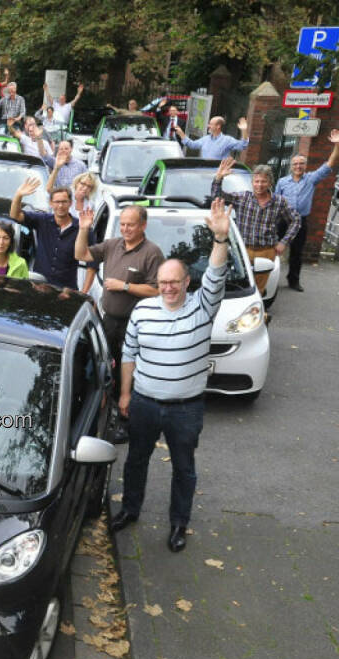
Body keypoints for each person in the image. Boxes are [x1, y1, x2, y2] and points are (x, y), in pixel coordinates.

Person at [110, 197, 233, 553]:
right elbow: (129, 353)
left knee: (184, 468)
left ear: (186, 281)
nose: (168, 288)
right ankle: (130, 510)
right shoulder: (143, 309)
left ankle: (179, 523)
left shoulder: (202, 306)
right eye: (163, 282)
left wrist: (220, 240)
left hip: (186, 408)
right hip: (145, 402)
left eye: (174, 282)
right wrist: (125, 394)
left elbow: (216, 274)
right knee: (135, 461)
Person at [74, 203, 164, 410]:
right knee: (105, 366)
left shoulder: (152, 253)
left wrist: (124, 286)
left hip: (134, 324)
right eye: (122, 224)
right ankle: (107, 408)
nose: (125, 229)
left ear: (143, 225)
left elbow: (156, 290)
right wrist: (83, 229)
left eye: (130, 225)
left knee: (128, 369)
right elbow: (81, 255)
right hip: (109, 321)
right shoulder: (113, 245)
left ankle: (126, 413)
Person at [211, 157, 299, 294]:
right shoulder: (243, 197)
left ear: (270, 182)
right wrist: (219, 178)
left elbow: (296, 220)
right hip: (242, 250)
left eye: (263, 181)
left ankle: (257, 312)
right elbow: (217, 197)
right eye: (256, 181)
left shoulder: (280, 202)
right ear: (252, 183)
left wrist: (284, 242)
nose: (259, 185)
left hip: (266, 251)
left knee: (259, 288)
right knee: (239, 285)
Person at [274, 129, 339, 292]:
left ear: (305, 166)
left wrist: (338, 145)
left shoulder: (311, 179)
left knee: (297, 253)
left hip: (300, 221)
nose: (298, 166)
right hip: (283, 221)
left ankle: (293, 281)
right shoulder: (282, 182)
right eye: (295, 164)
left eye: (301, 164)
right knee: (273, 249)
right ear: (291, 166)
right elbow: (275, 202)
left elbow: (330, 163)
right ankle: (271, 279)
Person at [10, 178, 93, 292]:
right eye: (57, 202)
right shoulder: (42, 220)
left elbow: (92, 265)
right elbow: (15, 215)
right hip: (39, 287)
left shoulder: (82, 228)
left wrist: (82, 294)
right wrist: (19, 195)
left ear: (70, 203)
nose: (60, 206)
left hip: (66, 291)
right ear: (51, 203)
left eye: (64, 202)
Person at [176, 116, 249, 160]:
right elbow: (192, 145)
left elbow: (243, 145)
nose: (208, 126)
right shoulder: (205, 139)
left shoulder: (227, 140)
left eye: (211, 124)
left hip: (218, 175)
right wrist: (181, 133)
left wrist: (244, 130)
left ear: (218, 126)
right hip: (204, 172)